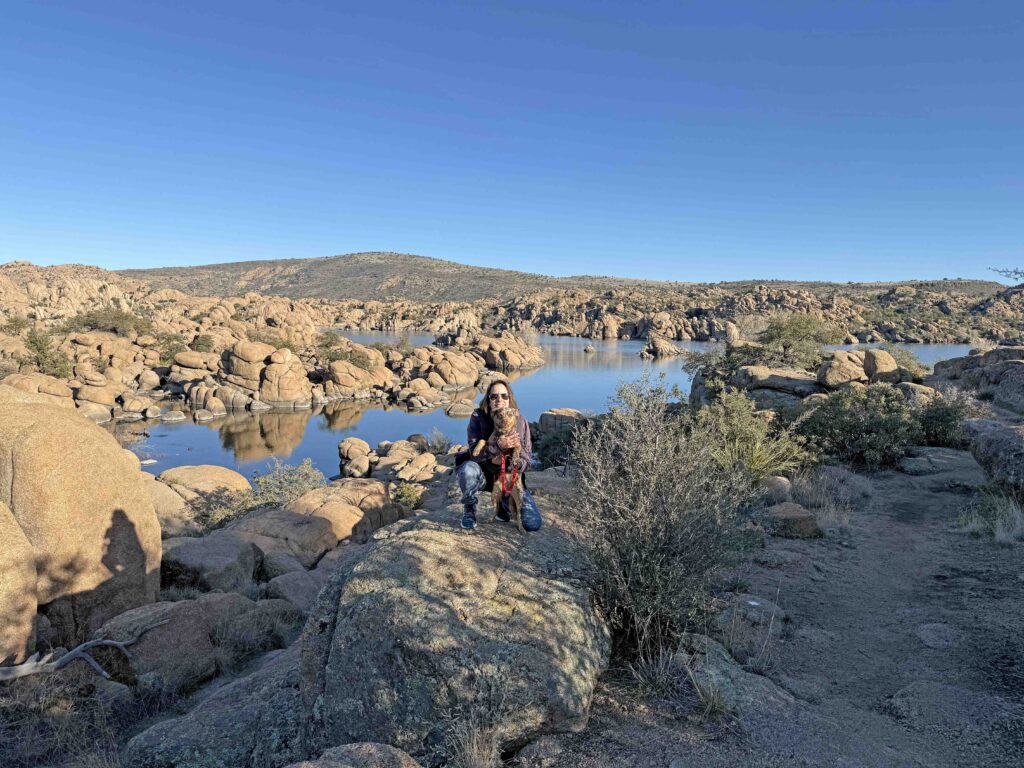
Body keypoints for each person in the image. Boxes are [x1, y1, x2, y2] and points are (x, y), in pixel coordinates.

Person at [455, 379, 542, 531]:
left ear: (510, 398)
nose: (499, 400)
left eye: (504, 396)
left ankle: (504, 504)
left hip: (508, 478)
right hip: (483, 475)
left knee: (532, 524)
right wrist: (497, 446)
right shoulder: (478, 416)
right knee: (468, 469)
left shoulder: (520, 421)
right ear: (488, 399)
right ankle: (469, 509)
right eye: (494, 396)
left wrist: (515, 464)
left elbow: (526, 458)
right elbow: (475, 455)